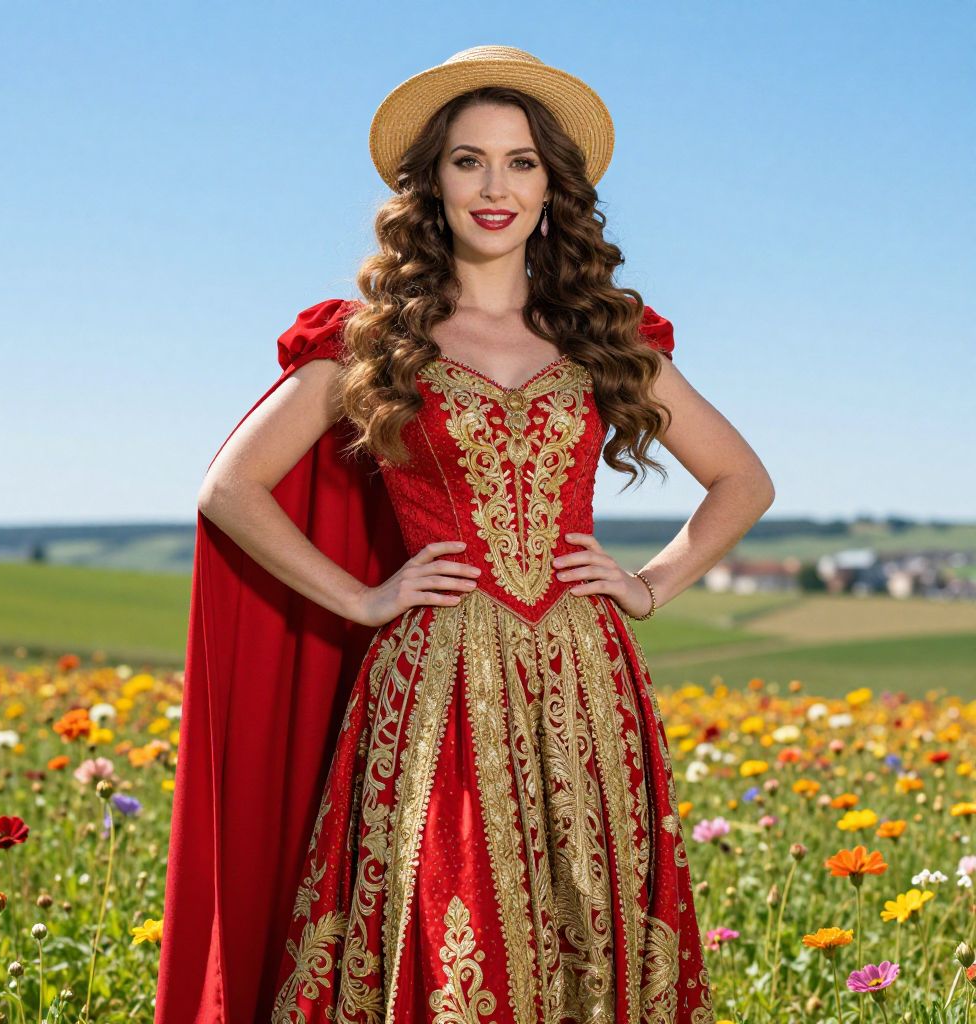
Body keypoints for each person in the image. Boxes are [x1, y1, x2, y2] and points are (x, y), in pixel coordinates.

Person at [153, 45, 774, 1024]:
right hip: (434, 680)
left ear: (551, 186)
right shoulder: (373, 338)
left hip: (586, 683)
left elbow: (743, 480)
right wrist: (363, 597)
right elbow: (229, 488)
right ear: (430, 183)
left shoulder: (606, 335)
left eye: (521, 162)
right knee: (448, 926)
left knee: (591, 925)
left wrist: (652, 582)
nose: (496, 186)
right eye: (468, 160)